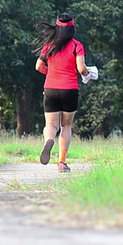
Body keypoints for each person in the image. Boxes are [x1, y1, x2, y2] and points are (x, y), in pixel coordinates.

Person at [33, 13, 89, 173]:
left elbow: (38, 66)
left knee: (50, 125)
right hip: (70, 89)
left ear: (57, 28)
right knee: (66, 125)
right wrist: (87, 73)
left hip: (50, 88)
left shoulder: (49, 45)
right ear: (72, 29)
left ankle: (49, 140)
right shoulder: (77, 45)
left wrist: (51, 73)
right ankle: (62, 162)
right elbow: (81, 69)